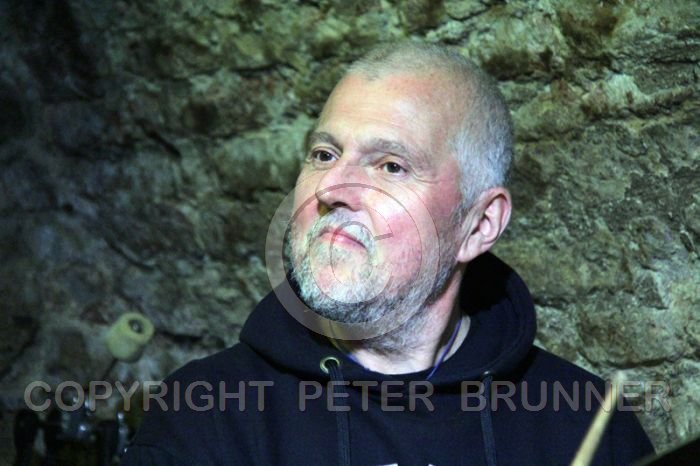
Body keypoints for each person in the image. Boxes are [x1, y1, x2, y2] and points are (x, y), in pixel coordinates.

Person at [120, 42, 654, 465]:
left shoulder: (587, 424)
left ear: (479, 225)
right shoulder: (204, 418)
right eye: (324, 154)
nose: (332, 188)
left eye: (391, 166)